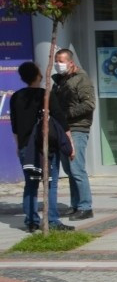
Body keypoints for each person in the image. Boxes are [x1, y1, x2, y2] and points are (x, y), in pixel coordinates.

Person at [10, 62, 73, 233]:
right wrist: (70, 143)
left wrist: (19, 146)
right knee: (50, 184)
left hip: (25, 147)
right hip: (46, 148)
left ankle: (31, 221)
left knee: (30, 184)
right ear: (38, 75)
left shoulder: (16, 97)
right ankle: (52, 220)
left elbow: (15, 126)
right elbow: (60, 119)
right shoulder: (45, 95)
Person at [51, 48, 96, 220]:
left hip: (77, 128)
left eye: (61, 61)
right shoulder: (60, 81)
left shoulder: (81, 79)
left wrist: (66, 114)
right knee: (70, 170)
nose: (58, 64)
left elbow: (89, 104)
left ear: (71, 62)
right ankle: (75, 204)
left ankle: (86, 206)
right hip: (63, 129)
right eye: (56, 60)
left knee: (77, 169)